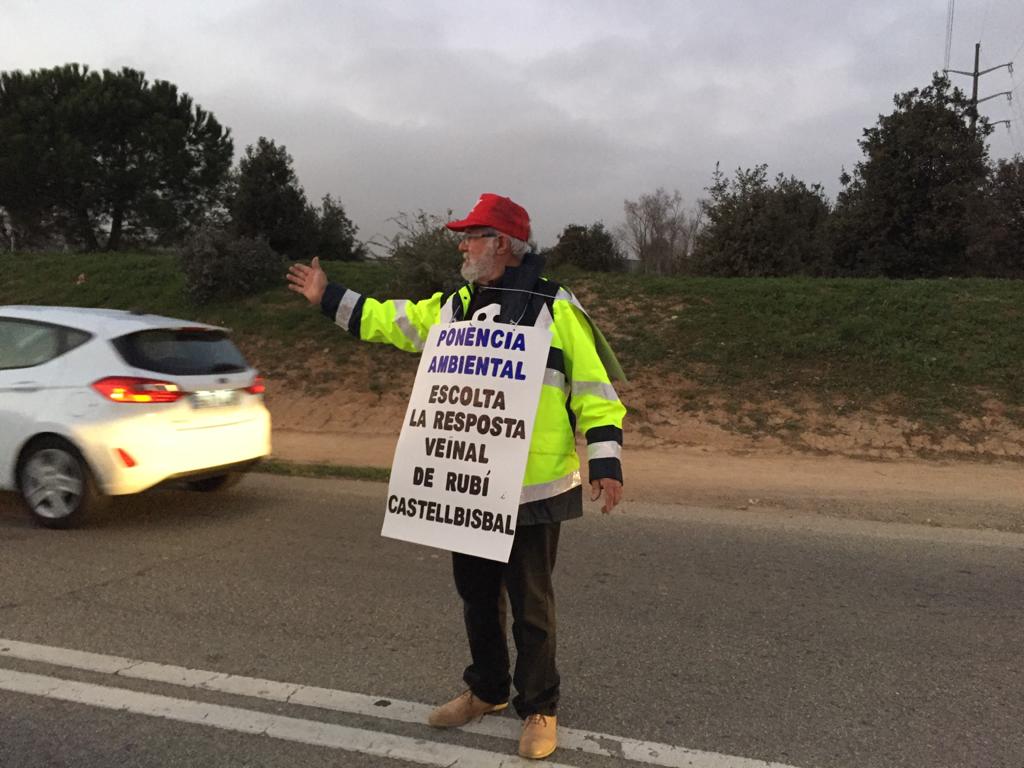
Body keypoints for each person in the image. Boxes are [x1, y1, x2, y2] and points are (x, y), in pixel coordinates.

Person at [287, 193, 625, 760]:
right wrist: (330, 298)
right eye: (463, 236)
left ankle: (540, 707)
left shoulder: (556, 308)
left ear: (501, 245)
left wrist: (607, 461)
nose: (462, 245)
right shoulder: (455, 305)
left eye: (471, 236)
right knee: (475, 596)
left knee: (532, 606)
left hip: (535, 489)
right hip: (467, 483)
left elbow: (595, 392)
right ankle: (487, 690)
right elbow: (390, 321)